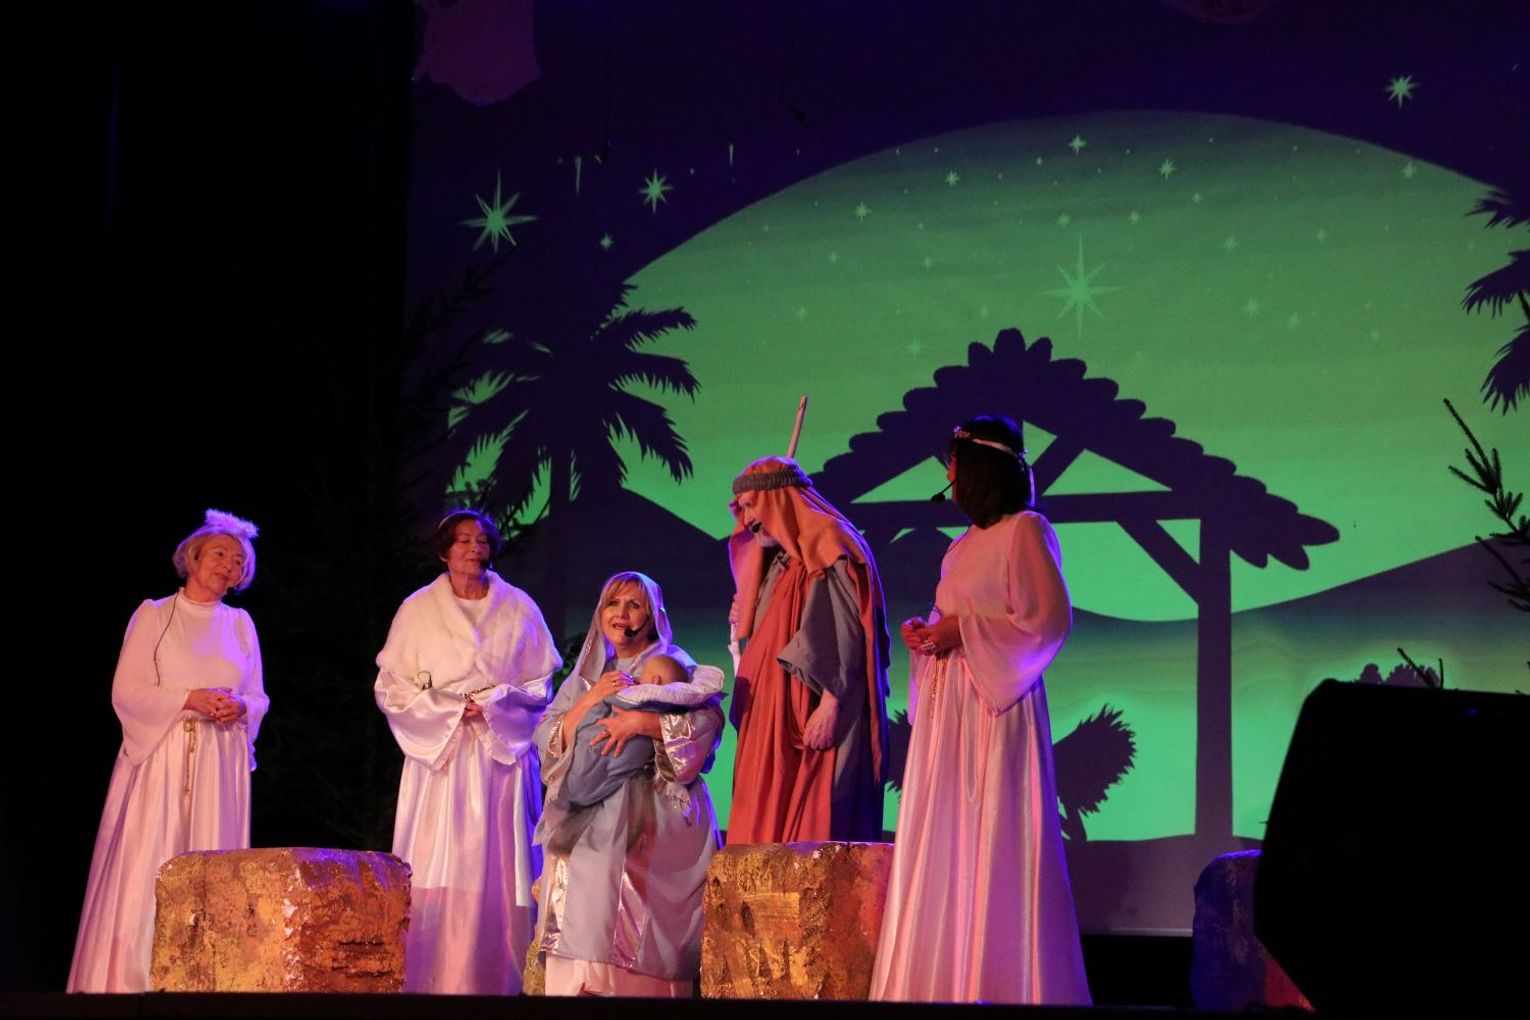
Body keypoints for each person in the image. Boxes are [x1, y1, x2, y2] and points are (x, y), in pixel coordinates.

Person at [870, 415, 1090, 1005]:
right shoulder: (961, 545)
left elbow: (1046, 622)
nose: (948, 475)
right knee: (948, 839)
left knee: (994, 833)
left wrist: (962, 631)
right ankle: (944, 978)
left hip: (996, 705)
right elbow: (956, 616)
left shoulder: (1026, 530)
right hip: (951, 710)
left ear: (980, 470)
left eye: (954, 464)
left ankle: (997, 981)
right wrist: (928, 633)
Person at [69, 509, 269, 993]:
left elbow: (258, 695)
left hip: (219, 763)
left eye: (239, 562)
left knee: (214, 864)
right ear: (192, 558)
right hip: (164, 756)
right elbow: (126, 690)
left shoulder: (241, 624)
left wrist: (241, 707)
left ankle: (209, 979)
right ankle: (134, 976)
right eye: (220, 554)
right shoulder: (155, 614)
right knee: (155, 857)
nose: (230, 565)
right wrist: (189, 699)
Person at [374, 509, 561, 995]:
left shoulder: (518, 607)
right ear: (444, 551)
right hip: (442, 755)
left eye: (481, 540)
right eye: (462, 540)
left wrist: (496, 705)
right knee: (440, 858)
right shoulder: (418, 609)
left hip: (500, 757)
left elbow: (540, 687)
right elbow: (392, 687)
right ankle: (431, 976)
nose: (473, 548)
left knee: (501, 861)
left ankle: (502, 977)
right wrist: (450, 710)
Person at [533, 571, 724, 997]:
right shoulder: (589, 675)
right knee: (564, 857)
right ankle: (576, 984)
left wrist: (642, 724)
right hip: (587, 801)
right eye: (613, 604)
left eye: (634, 605)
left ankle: (619, 987)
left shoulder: (670, 662)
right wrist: (590, 699)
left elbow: (707, 722)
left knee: (606, 863)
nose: (622, 614)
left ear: (652, 616)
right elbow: (546, 736)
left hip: (651, 800)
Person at [726, 456, 890, 844]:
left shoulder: (828, 545)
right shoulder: (781, 560)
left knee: (812, 829)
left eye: (753, 505)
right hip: (772, 715)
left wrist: (832, 704)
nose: (748, 519)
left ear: (778, 500)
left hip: (812, 711)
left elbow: (848, 629)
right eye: (742, 508)